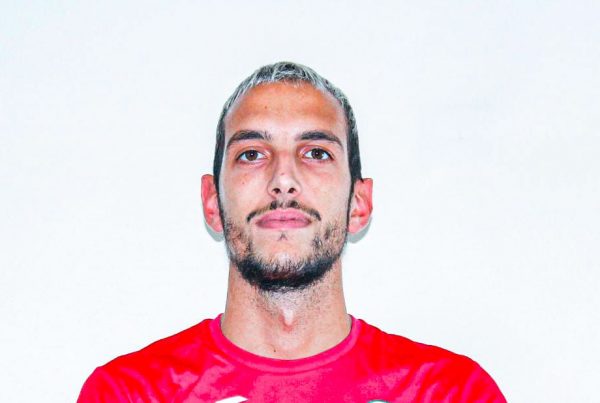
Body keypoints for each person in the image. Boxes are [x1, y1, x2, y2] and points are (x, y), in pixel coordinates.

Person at [78, 62, 506, 402]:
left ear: (359, 204)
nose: (283, 179)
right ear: (212, 202)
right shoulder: (129, 394)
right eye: (252, 154)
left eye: (316, 152)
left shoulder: (451, 393)